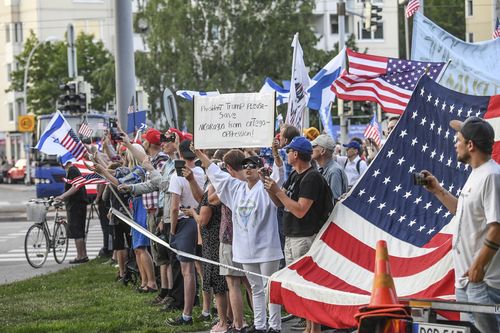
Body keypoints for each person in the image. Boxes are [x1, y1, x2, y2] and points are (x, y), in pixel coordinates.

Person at [422, 117, 499, 333]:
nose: (455, 144)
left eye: (458, 139)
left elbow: (497, 228)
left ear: (471, 145)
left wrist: (478, 266)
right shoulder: (477, 174)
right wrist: (438, 190)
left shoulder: (492, 176)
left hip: (484, 282)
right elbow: (462, 212)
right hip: (467, 282)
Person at [195, 149, 284, 333]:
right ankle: (260, 326)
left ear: (259, 169)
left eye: (253, 165)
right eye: (245, 165)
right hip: (245, 250)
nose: (248, 168)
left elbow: (279, 175)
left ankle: (275, 327)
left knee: (270, 288)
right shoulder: (236, 188)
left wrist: (276, 157)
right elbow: (216, 173)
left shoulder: (267, 187)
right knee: (256, 288)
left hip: (267, 249)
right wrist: (200, 154)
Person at [264, 136, 333, 333]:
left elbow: (300, 210)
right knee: (300, 285)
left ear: (296, 154)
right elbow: (280, 202)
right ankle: (309, 327)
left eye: (288, 151)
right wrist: (271, 188)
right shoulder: (295, 174)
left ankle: (314, 328)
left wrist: (279, 191)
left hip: (305, 236)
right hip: (293, 236)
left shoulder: (311, 177)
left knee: (308, 284)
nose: (286, 153)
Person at [166, 139, 205, 326]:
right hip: (201, 220)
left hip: (185, 222)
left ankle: (187, 314)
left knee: (187, 271)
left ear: (180, 156)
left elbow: (174, 208)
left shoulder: (177, 176)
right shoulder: (201, 172)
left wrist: (172, 230)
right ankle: (206, 309)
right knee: (203, 269)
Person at [56, 159, 88, 264]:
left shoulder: (72, 170)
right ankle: (84, 255)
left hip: (76, 205)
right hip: (78, 204)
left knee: (76, 231)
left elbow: (76, 186)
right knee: (80, 231)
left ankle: (80, 256)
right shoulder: (74, 170)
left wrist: (62, 196)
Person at [311, 134, 348, 202]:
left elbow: (333, 201)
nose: (311, 149)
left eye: (314, 146)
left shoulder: (334, 171)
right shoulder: (323, 169)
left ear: (322, 151)